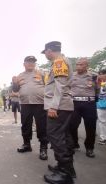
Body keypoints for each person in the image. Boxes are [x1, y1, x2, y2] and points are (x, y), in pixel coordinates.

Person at [41, 41, 76, 184]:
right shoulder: (61, 61)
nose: (46, 56)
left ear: (49, 51)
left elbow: (60, 86)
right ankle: (66, 167)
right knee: (64, 136)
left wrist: (54, 107)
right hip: (63, 106)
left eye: (46, 53)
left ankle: (65, 173)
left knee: (56, 137)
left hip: (59, 106)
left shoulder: (59, 61)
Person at [15, 56, 48, 160]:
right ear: (24, 63)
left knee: (42, 126)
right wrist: (15, 83)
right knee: (25, 124)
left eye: (33, 62)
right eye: (28, 62)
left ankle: (43, 149)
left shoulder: (41, 73)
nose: (31, 63)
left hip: (40, 103)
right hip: (25, 104)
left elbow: (49, 86)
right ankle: (26, 145)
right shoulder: (20, 75)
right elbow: (15, 89)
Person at [69, 58, 98, 158]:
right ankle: (74, 144)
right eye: (77, 64)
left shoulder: (94, 76)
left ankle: (89, 148)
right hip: (74, 103)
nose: (78, 67)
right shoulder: (71, 75)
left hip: (89, 104)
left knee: (90, 127)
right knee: (72, 125)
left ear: (87, 65)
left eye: (81, 65)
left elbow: (99, 89)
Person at [96, 69, 106, 145]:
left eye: (102, 74)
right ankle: (104, 137)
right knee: (103, 122)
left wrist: (104, 86)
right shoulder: (101, 82)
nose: (101, 75)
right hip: (101, 104)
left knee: (102, 122)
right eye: (100, 74)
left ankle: (103, 138)